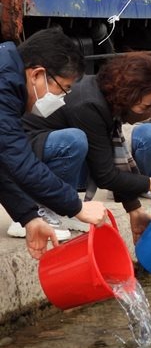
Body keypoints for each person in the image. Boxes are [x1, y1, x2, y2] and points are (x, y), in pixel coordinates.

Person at [23, 53, 151, 243]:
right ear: (128, 95)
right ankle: (36, 209)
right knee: (75, 140)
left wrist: (134, 210)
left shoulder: (107, 97)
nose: (150, 114)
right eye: (145, 106)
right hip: (24, 149)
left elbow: (109, 157)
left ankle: (61, 209)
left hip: (43, 147)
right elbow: (106, 176)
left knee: (86, 144)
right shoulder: (89, 105)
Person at [0, 29, 107, 259]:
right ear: (37, 74)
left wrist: (28, 216)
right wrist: (77, 207)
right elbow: (19, 161)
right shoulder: (3, 88)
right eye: (64, 88)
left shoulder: (9, 77)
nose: (63, 98)